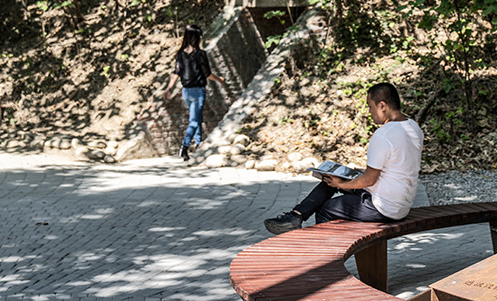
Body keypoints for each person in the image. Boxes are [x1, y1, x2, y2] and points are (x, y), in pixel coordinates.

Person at [264, 82, 423, 233]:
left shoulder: (384, 134)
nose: (369, 112)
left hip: (384, 207)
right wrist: (343, 179)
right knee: (331, 180)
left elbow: (369, 180)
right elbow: (398, 166)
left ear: (382, 106)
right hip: (401, 203)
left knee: (326, 209)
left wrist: (342, 184)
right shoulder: (413, 127)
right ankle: (295, 216)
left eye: (370, 107)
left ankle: (328, 257)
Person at [163, 24, 225, 160]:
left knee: (196, 118)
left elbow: (176, 73)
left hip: (186, 91)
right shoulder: (200, 54)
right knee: (194, 121)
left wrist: (169, 88)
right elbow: (207, 74)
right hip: (198, 91)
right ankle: (184, 147)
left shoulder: (180, 54)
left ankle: (198, 144)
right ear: (196, 37)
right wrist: (219, 80)